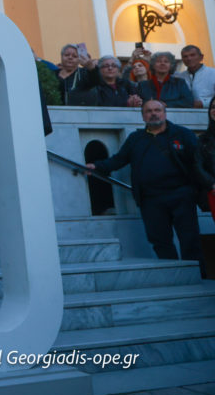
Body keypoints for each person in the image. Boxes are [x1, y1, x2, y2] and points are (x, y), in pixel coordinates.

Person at [88, 100, 210, 276]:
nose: (154, 114)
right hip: (151, 200)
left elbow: (198, 162)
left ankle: (200, 279)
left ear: (165, 112)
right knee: (160, 242)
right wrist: (97, 166)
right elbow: (117, 160)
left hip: (182, 195)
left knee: (190, 240)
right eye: (149, 111)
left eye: (157, 110)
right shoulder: (136, 139)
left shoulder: (183, 134)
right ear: (143, 115)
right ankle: (172, 279)